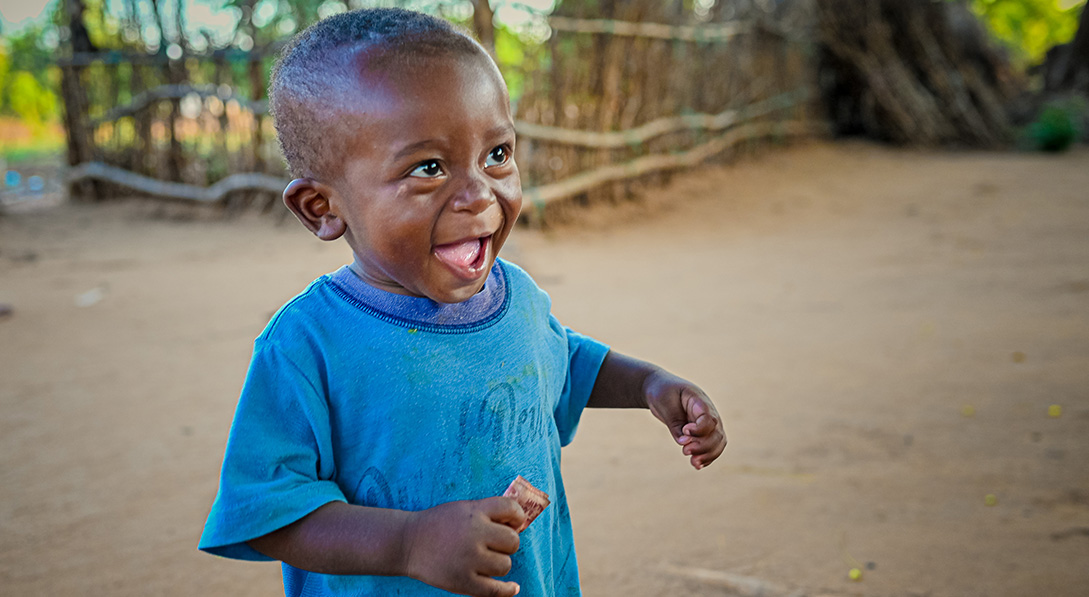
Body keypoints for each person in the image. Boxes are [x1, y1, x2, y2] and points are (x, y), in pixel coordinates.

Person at [199, 8, 726, 597]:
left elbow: (563, 361)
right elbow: (271, 512)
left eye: (497, 154)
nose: (480, 194)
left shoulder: (517, 296)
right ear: (324, 208)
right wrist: (409, 542)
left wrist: (650, 385)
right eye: (428, 168)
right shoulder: (307, 345)